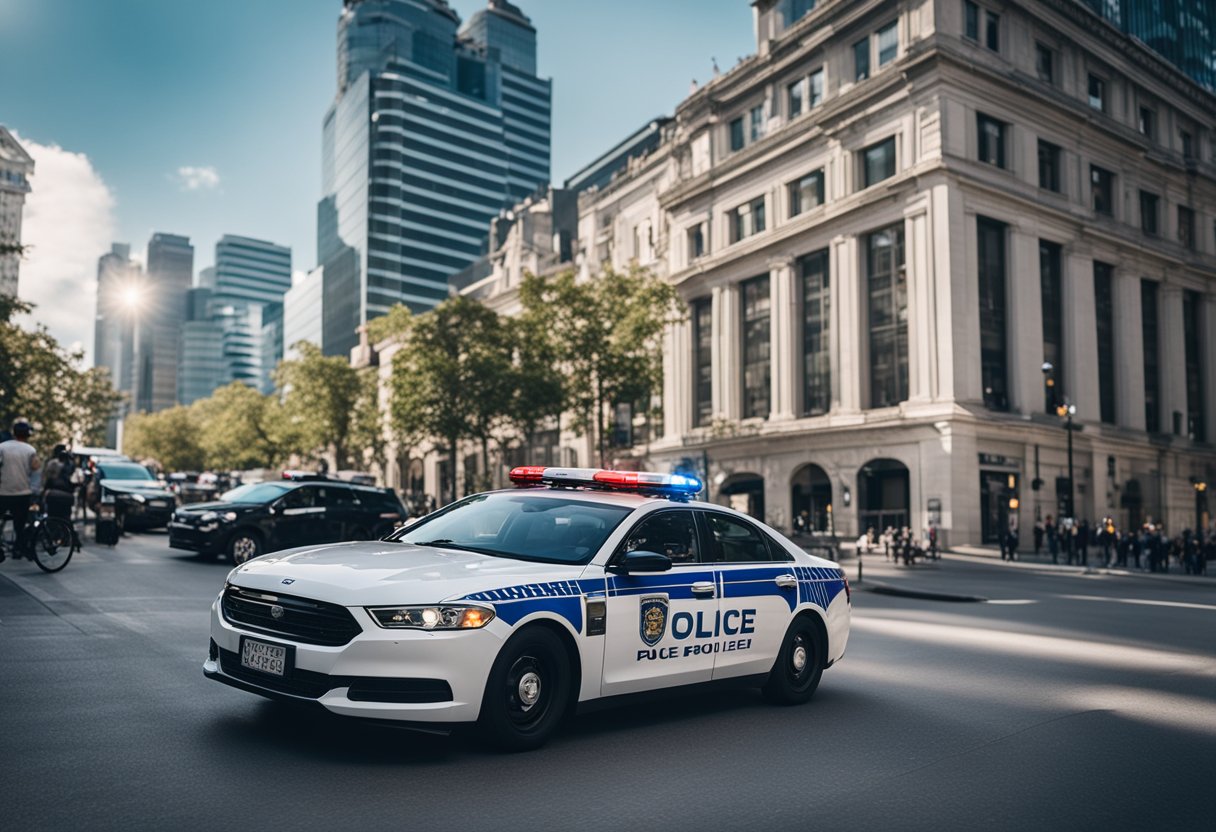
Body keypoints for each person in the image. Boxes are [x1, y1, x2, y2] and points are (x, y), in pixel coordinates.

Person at [0, 421, 42, 561]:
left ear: (14, 433)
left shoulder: (2, 447)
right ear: (27, 435)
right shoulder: (30, 450)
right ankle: (19, 550)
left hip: (2, 492)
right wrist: (35, 489)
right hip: (22, 493)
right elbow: (36, 470)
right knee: (19, 525)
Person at [41, 444, 76, 520]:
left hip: (52, 494)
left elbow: (46, 478)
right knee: (65, 518)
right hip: (67, 495)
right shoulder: (71, 464)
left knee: (52, 517)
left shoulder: (52, 463)